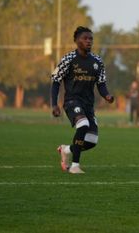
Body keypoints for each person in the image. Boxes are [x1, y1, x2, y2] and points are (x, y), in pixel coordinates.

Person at [51, 26, 115, 174]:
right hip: (72, 101)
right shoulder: (68, 59)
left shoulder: (97, 61)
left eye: (90, 38)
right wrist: (54, 104)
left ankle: (66, 150)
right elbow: (55, 81)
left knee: (92, 141)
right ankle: (74, 166)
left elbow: (101, 83)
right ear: (76, 41)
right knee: (83, 124)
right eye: (85, 38)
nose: (88, 41)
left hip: (88, 104)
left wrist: (107, 95)